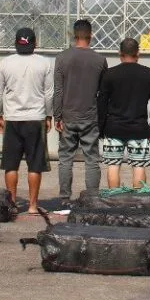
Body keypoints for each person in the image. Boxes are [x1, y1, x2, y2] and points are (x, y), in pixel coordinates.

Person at [0, 27, 56, 216]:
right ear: (35, 43)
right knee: (35, 164)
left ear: (16, 43)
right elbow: (49, 94)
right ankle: (32, 205)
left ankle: (12, 204)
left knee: (11, 164)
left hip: (12, 118)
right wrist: (48, 116)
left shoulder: (5, 63)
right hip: (35, 118)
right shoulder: (45, 63)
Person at [52, 18, 108, 202]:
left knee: (65, 158)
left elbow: (58, 90)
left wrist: (57, 115)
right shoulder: (100, 60)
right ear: (90, 36)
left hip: (68, 115)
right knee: (92, 158)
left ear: (73, 36)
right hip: (90, 116)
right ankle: (92, 198)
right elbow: (102, 93)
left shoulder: (61, 58)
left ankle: (64, 198)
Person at [95, 38, 150, 189]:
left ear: (120, 53)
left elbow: (102, 103)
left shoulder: (110, 74)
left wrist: (100, 127)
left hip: (113, 127)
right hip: (139, 128)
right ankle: (138, 205)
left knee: (113, 166)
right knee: (139, 166)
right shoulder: (149, 74)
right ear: (138, 53)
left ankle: (114, 200)